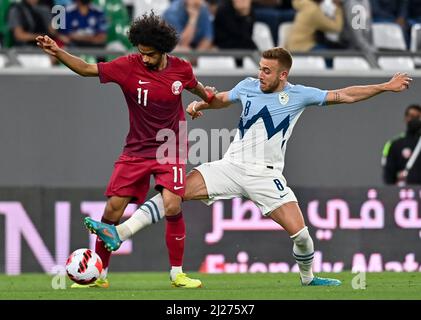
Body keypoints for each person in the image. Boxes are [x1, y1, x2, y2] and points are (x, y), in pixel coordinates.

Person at [85, 47, 412, 287]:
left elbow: (345, 95)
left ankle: (309, 278)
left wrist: (384, 86)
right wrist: (201, 103)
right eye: (260, 68)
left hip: (266, 175)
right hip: (230, 165)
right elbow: (222, 98)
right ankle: (119, 233)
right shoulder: (248, 86)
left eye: (267, 71)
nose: (261, 74)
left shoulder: (300, 95)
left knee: (302, 237)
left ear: (283, 75)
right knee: (174, 190)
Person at [36, 11, 216, 289]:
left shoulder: (181, 68)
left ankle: (177, 274)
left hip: (171, 147)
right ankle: (100, 275)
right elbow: (86, 69)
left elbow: (196, 87)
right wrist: (58, 51)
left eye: (151, 54)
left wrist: (206, 100)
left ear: (164, 50)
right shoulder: (128, 66)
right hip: (136, 150)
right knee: (112, 210)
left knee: (172, 203)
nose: (144, 58)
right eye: (141, 52)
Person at [383, 104, 421, 185]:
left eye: (417, 117)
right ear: (405, 118)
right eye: (411, 116)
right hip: (403, 192)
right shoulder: (394, 144)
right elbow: (388, 173)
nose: (414, 119)